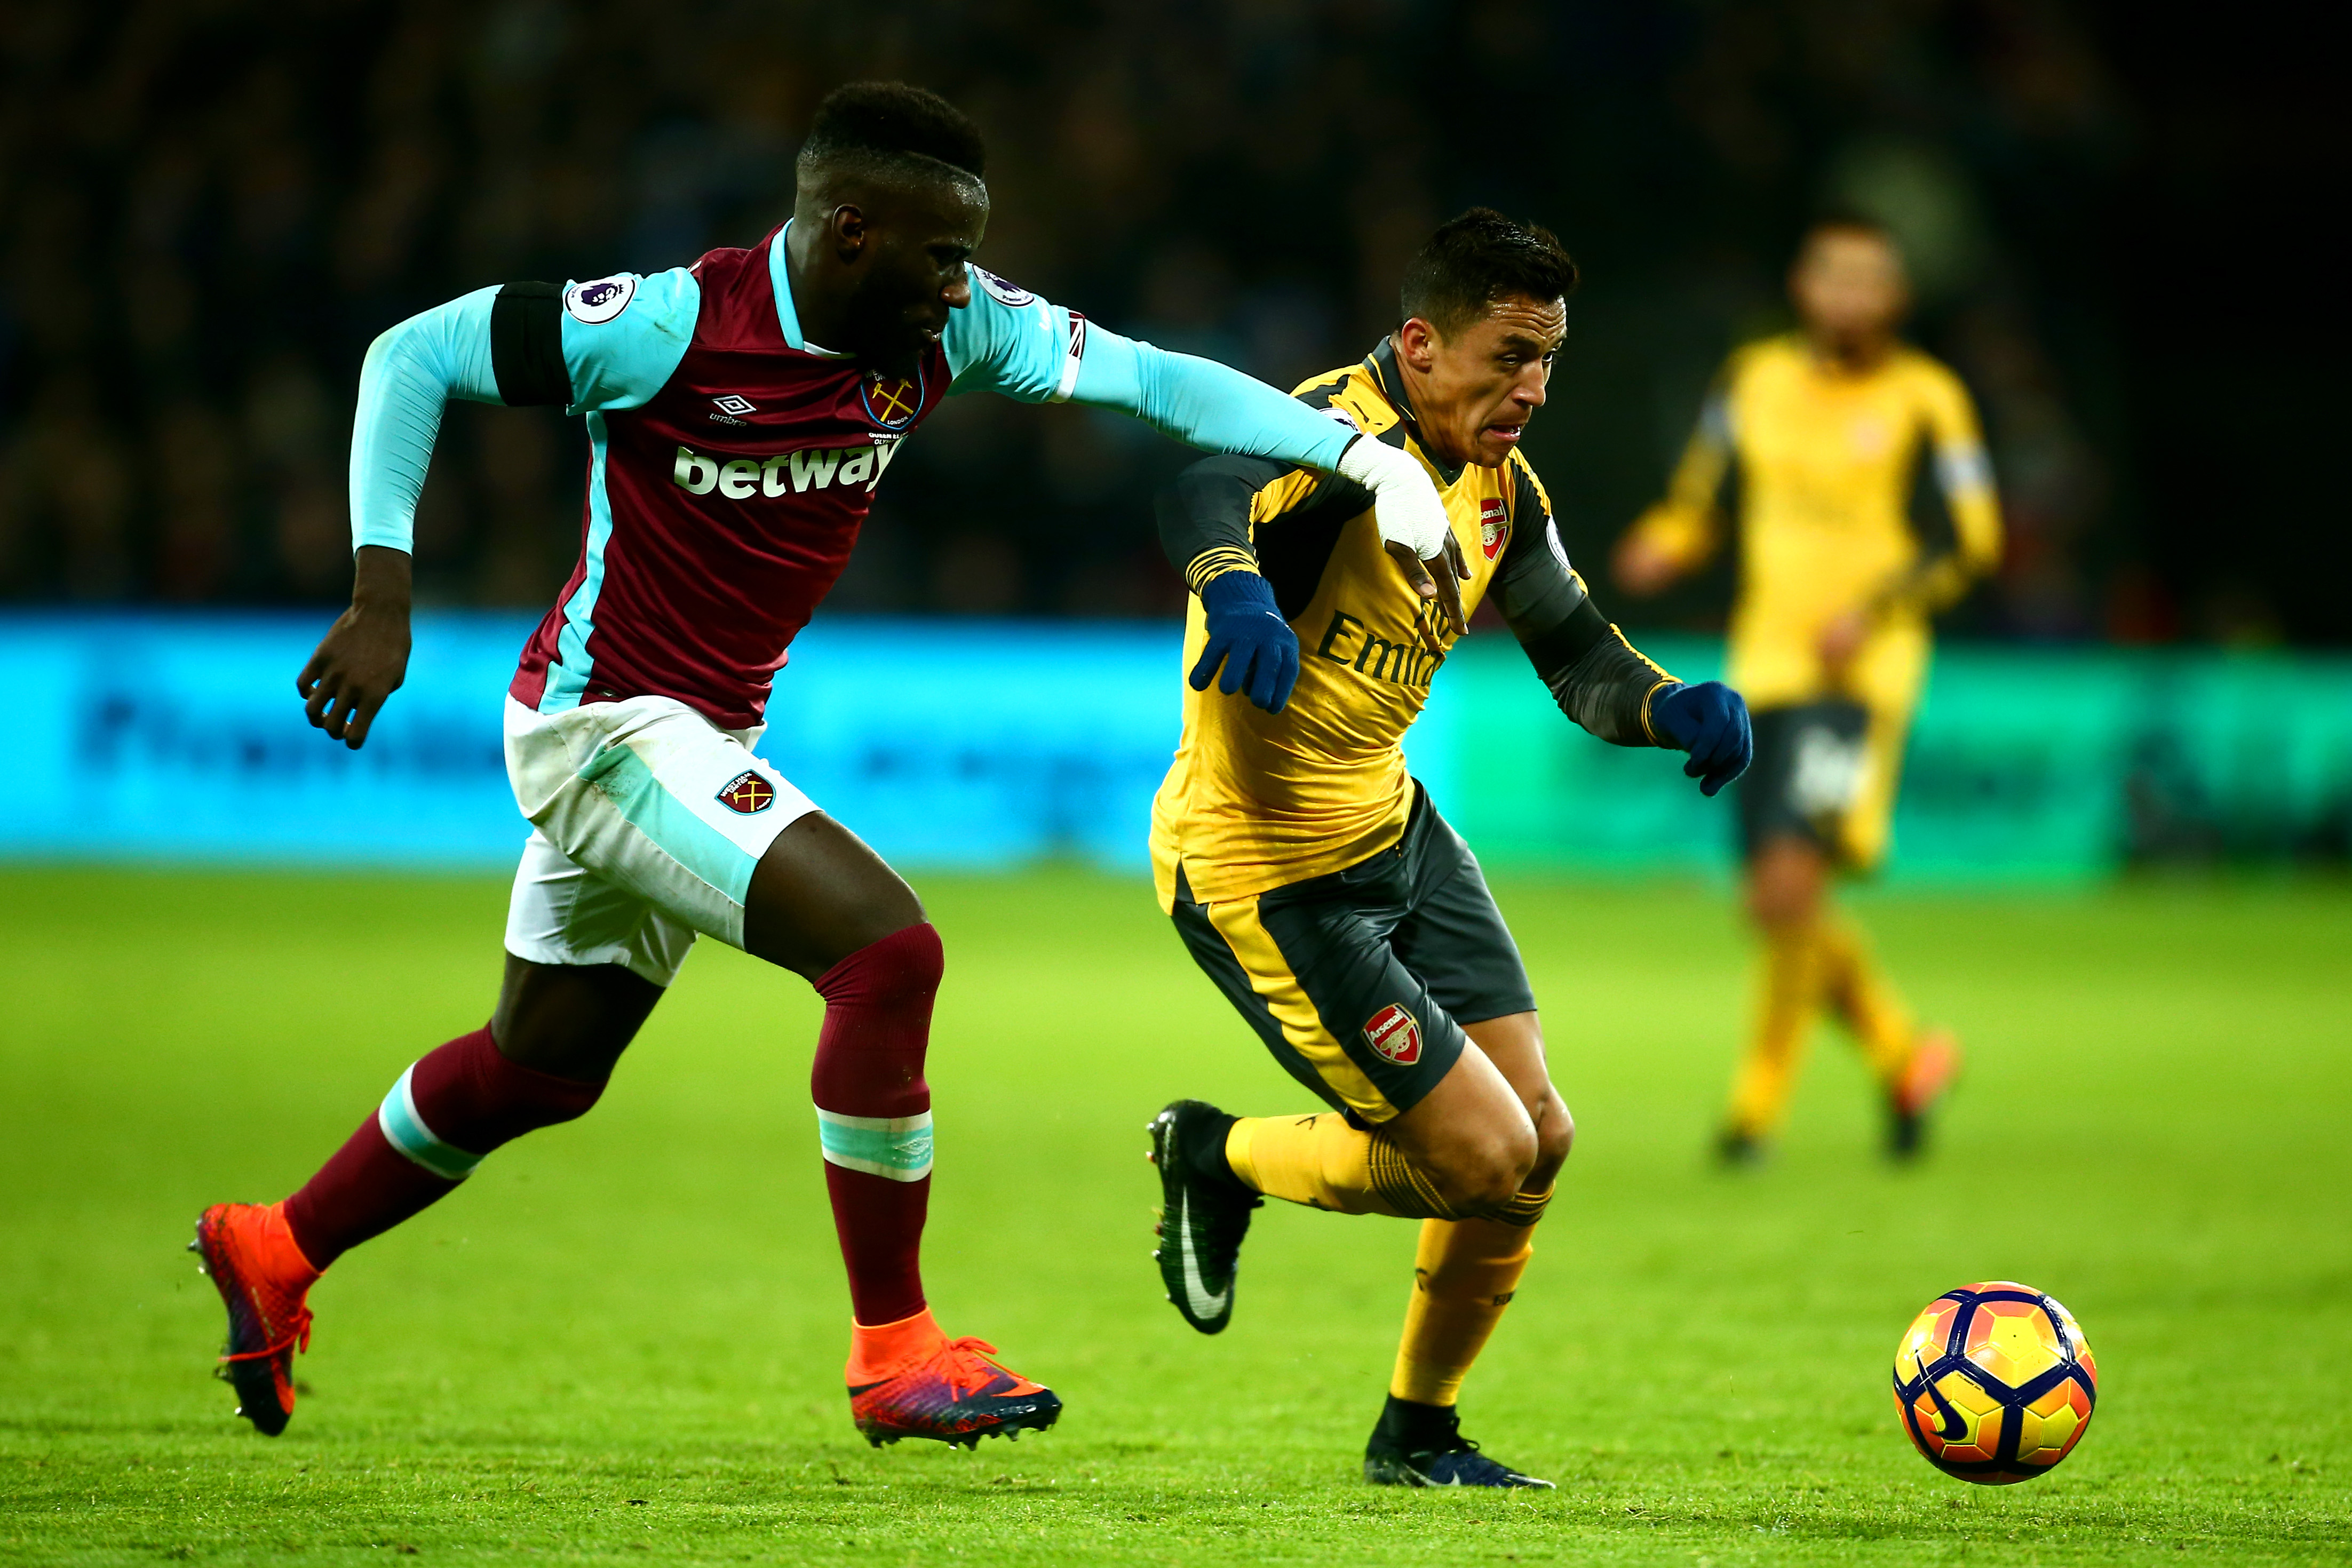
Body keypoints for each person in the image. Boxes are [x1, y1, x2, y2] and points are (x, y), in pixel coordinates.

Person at [192, 82, 1463, 1450]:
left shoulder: (956, 326)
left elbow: (1155, 379)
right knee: (885, 953)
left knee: (537, 1069)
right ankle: (892, 1353)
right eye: (937, 254)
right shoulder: (673, 326)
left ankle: (276, 1243)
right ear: (849, 231)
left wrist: (1354, 454)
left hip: (697, 737)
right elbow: (412, 354)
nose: (961, 284)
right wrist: (385, 590)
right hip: (603, 726)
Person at [1142, 210, 1752, 1488]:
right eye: (1507, 353)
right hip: (1265, 865)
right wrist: (1236, 586)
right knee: (1479, 1157)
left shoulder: (1500, 491)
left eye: (1547, 361)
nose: (1528, 388)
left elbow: (1579, 656)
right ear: (1418, 345)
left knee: (1540, 1138)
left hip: (1395, 829)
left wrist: (1667, 707)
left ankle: (1417, 1431)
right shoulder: (1329, 438)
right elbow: (1200, 480)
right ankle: (1216, 1153)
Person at [1612, 215, 2003, 1164]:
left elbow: (1974, 536)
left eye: (1869, 281)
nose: (1850, 296)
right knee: (1775, 901)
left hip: (1860, 672)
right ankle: (1904, 1054)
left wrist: (1872, 611)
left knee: (1792, 883)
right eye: (1835, 277)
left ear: (1896, 299)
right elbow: (1701, 503)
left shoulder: (1928, 399)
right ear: (1804, 287)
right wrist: (1662, 545)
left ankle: (1753, 1116)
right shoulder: (1752, 382)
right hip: (1766, 665)